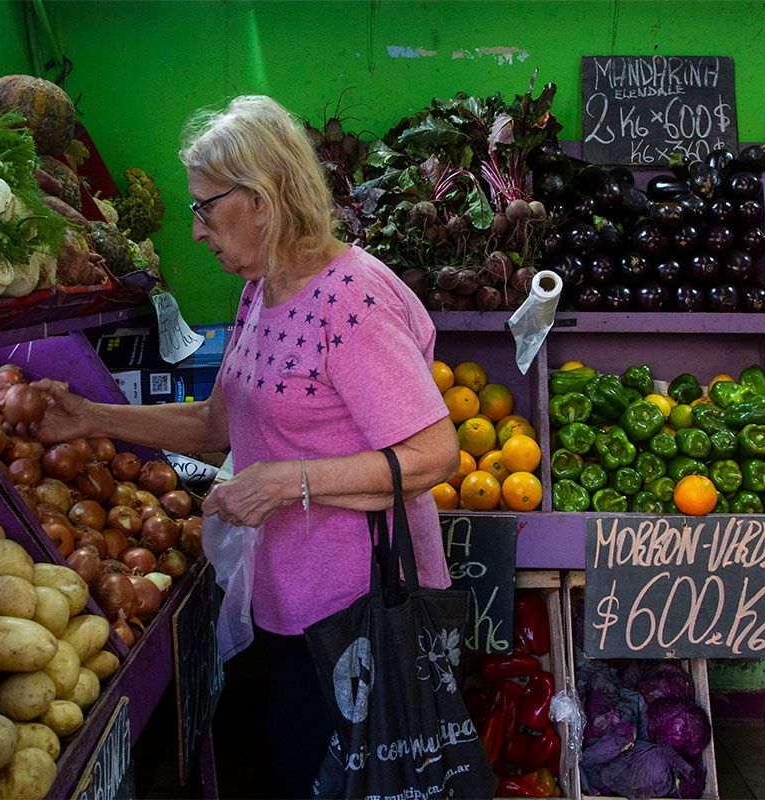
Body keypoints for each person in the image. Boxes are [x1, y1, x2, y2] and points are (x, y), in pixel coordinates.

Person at [32, 95, 459, 797]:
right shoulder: (259, 292)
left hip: (360, 615)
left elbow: (434, 456)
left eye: (204, 207)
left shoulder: (353, 300)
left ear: (260, 199)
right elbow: (214, 426)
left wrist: (286, 481)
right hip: (287, 603)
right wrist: (89, 418)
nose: (197, 230)